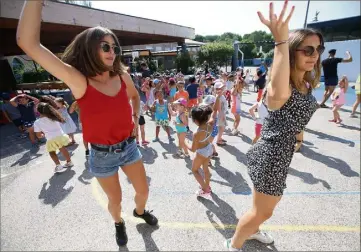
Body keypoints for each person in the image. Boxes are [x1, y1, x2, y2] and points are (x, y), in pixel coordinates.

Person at [17, 1, 158, 247]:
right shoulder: (80, 81)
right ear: (90, 49)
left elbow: (135, 97)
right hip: (103, 155)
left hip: (129, 147)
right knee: (115, 201)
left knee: (143, 192)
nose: (112, 51)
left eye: (114, 46)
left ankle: (139, 212)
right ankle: (118, 223)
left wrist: (135, 117)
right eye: (105, 46)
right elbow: (28, 43)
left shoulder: (122, 76)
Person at [224, 1, 323, 250]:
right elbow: (277, 97)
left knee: (264, 208)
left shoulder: (306, 84)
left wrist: (298, 138)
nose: (315, 55)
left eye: (318, 49)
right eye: (307, 50)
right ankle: (233, 245)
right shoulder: (282, 85)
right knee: (262, 212)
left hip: (281, 153)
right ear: (292, 52)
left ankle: (252, 232)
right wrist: (280, 42)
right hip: (271, 156)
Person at [34, 102, 73, 173]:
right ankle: (69, 162)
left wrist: (42, 135)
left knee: (52, 152)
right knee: (62, 148)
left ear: (38, 111)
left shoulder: (37, 122)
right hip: (60, 136)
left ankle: (58, 166)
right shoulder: (54, 116)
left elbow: (39, 135)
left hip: (51, 138)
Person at [185, 105, 213, 197]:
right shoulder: (210, 124)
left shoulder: (196, 134)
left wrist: (184, 143)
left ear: (195, 121)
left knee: (194, 170)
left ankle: (205, 189)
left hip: (201, 152)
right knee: (205, 169)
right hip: (209, 148)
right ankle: (207, 186)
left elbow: (193, 149)